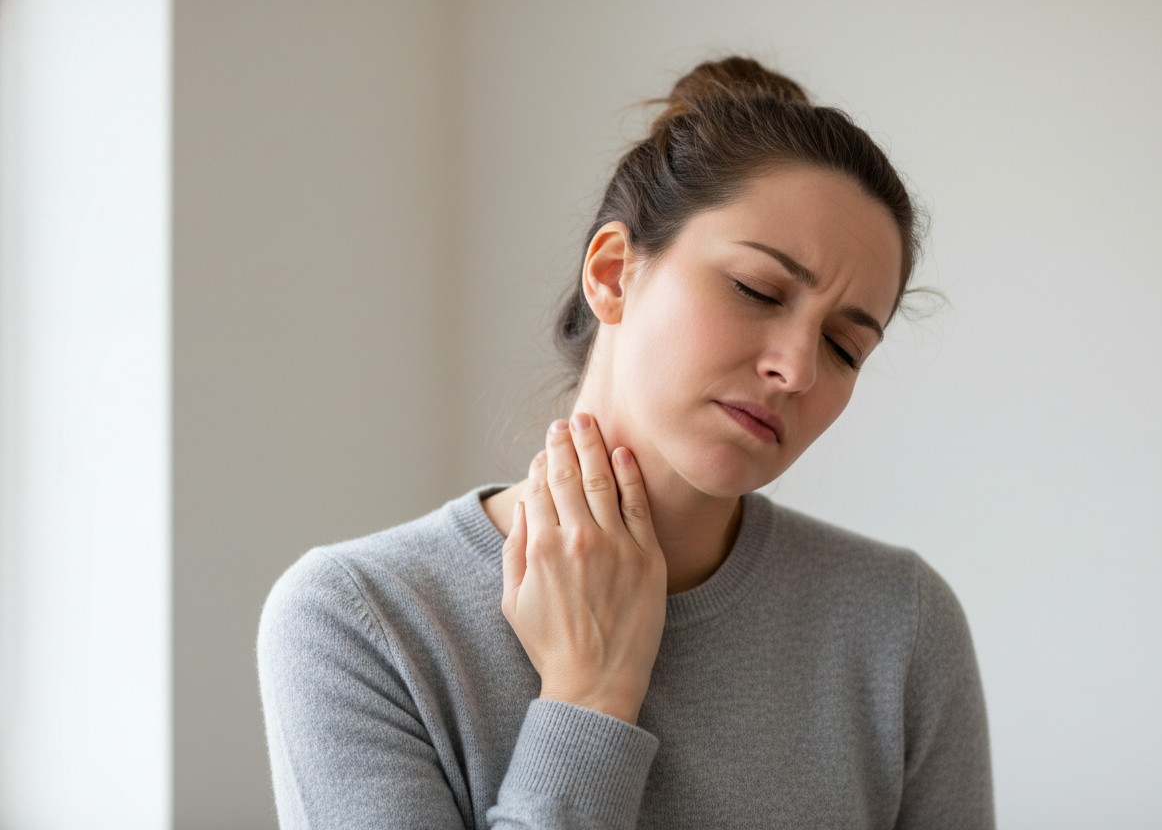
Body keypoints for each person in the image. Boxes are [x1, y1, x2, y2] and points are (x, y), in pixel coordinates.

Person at [257, 56, 993, 829]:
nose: (798, 368)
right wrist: (590, 697)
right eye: (757, 290)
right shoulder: (358, 619)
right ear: (611, 273)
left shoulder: (900, 625)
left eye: (844, 347)